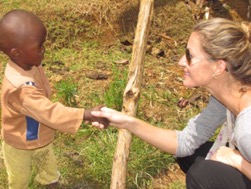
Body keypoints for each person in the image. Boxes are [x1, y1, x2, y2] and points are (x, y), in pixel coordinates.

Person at [91, 17, 251, 189]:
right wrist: (127, 121)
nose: (181, 61)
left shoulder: (246, 128)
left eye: (190, 56)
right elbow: (185, 143)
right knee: (193, 156)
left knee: (203, 174)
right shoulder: (224, 98)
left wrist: (236, 160)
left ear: (218, 67)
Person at [0, 9, 109, 189]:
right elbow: (49, 112)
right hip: (19, 142)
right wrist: (86, 114)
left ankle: (50, 182)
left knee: (48, 166)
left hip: (40, 133)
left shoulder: (27, 63)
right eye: (39, 46)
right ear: (17, 53)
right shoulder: (20, 89)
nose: (44, 50)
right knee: (19, 179)